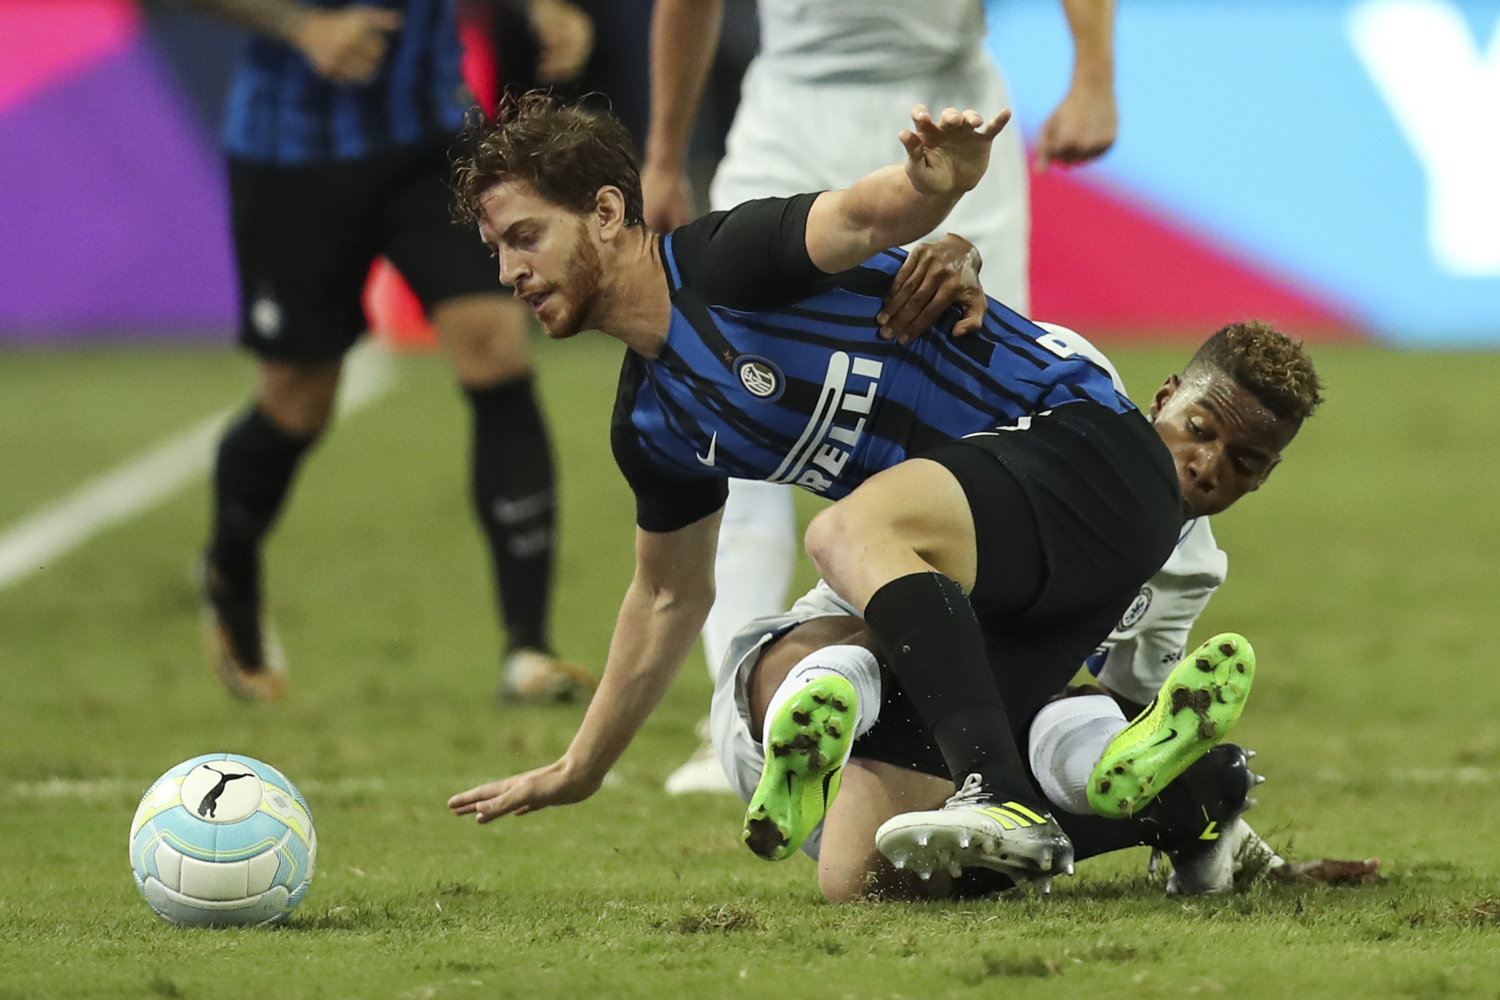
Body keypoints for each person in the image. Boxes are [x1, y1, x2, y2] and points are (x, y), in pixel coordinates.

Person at [444, 93, 1305, 886]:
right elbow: (668, 594)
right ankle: (1186, 804)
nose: (510, 270)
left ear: (604, 212)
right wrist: (579, 769)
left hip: (1086, 452)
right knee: (860, 873)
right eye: (497, 250)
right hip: (992, 567)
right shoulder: (653, 426)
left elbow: (859, 216)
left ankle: (996, 785)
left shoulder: (723, 263)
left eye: (525, 236)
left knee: (843, 537)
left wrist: (937, 187)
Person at [642, 0, 1120, 793]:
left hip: (954, 118)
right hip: (787, 122)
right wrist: (663, 154)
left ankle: (983, 705)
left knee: (993, 427)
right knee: (734, 412)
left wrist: (1094, 76)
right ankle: (735, 722)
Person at [185, 0, 594, 703]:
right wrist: (301, 26)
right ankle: (229, 567)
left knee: (496, 346)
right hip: (291, 151)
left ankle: (527, 648)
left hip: (432, 136)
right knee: (297, 402)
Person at [712, 579, 1380, 901]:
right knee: (902, 618)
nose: (1213, 465)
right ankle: (1191, 805)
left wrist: (1259, 858)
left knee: (870, 879)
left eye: (1246, 461)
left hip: (954, 729)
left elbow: (1129, 717)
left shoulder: (1188, 561)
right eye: (1204, 432)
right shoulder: (1039, 467)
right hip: (829, 684)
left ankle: (1177, 805)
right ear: (1164, 397)